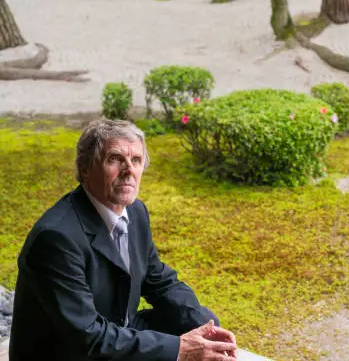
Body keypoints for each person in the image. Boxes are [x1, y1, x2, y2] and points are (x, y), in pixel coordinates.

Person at [9, 119, 238, 361]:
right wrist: (181, 349)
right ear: (85, 168)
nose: (129, 170)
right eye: (115, 159)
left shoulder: (136, 212)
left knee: (197, 325)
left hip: (119, 330)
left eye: (136, 160)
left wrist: (205, 326)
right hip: (73, 351)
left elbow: (159, 281)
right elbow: (89, 337)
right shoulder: (56, 239)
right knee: (181, 348)